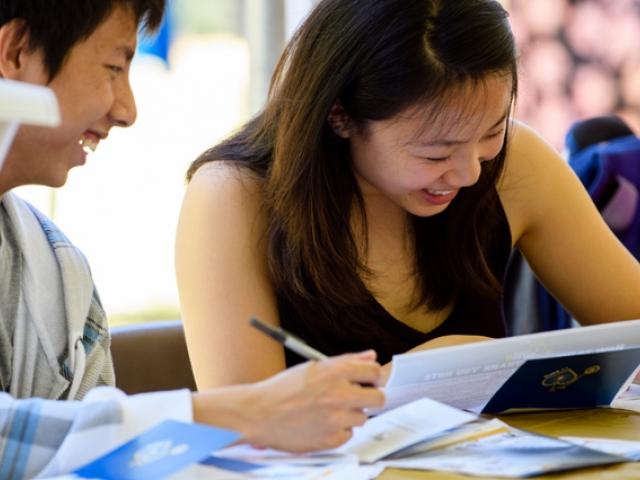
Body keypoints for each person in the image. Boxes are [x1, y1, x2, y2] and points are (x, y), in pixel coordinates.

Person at [0, 1, 384, 477]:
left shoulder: (60, 272)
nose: (127, 111)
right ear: (15, 52)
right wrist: (246, 413)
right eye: (113, 68)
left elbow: (103, 467)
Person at [175, 0, 640, 391]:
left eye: (490, 132)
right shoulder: (233, 197)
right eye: (435, 153)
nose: (469, 172)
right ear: (340, 116)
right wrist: (421, 376)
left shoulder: (515, 164)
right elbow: (242, 431)